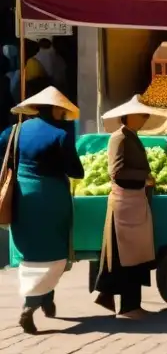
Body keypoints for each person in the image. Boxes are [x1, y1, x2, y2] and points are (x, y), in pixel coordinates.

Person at [0, 87, 83, 334]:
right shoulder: (61, 134)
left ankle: (46, 299)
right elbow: (76, 171)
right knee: (55, 253)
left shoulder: (14, 131)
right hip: (51, 199)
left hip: (22, 198)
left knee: (32, 252)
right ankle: (31, 304)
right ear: (58, 109)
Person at [93, 96, 157, 319]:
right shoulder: (118, 138)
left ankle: (132, 305)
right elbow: (116, 172)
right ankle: (128, 308)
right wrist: (144, 177)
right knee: (126, 258)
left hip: (135, 201)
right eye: (142, 115)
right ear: (129, 116)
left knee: (136, 256)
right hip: (124, 205)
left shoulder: (132, 137)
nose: (144, 119)